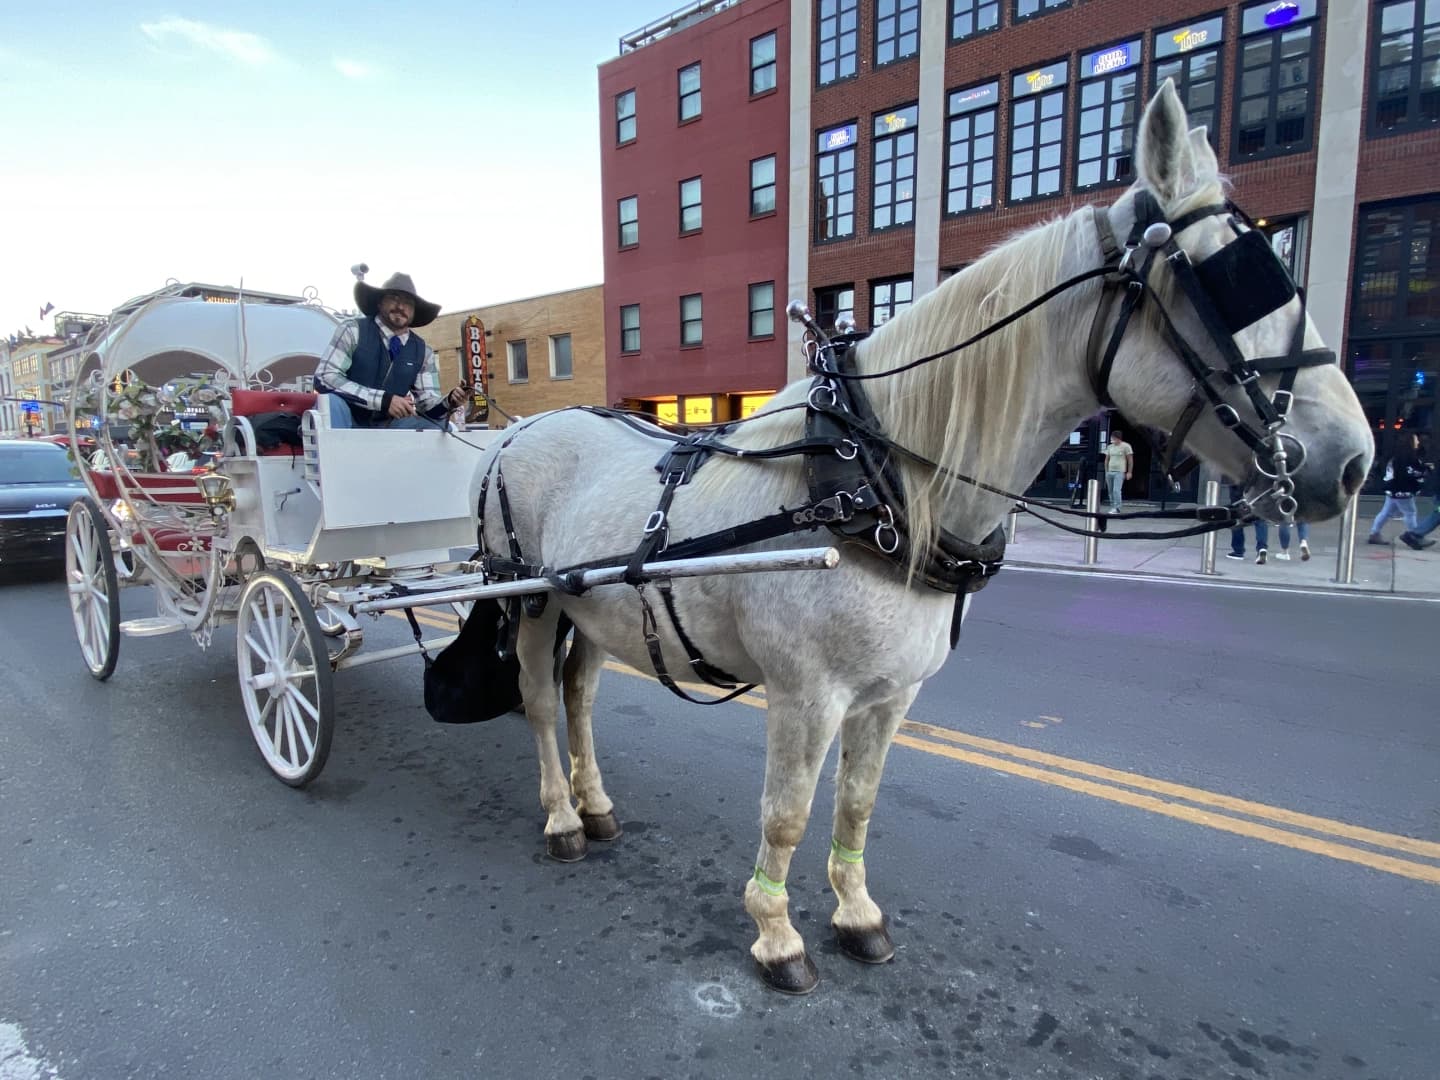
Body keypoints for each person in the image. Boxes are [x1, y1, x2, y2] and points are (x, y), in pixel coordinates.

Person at [315, 272, 467, 430]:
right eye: (394, 297)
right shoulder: (353, 330)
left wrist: (449, 401)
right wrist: (383, 400)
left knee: (442, 428)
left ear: (414, 312)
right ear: (380, 302)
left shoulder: (423, 351)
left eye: (408, 303)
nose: (401, 307)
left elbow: (426, 404)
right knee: (331, 402)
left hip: (388, 426)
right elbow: (325, 377)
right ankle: (337, 453)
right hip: (347, 419)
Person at [1367, 432, 1427, 544]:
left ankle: (1374, 533)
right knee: (1410, 512)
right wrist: (1425, 471)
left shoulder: (1395, 457)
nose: (1418, 442)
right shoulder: (1406, 458)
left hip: (1392, 490)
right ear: (1410, 443)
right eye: (1415, 440)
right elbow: (1411, 473)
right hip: (1402, 491)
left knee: (1386, 512)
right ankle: (1414, 536)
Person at [1101, 428, 1133, 514]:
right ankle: (1113, 507)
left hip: (1119, 471)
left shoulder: (1126, 446)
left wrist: (1129, 472)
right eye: (1112, 438)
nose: (1112, 440)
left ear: (1118, 438)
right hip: (1110, 471)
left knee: (1116, 490)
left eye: (1114, 438)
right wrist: (1106, 471)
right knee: (1110, 491)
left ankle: (1117, 507)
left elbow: (1130, 460)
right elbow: (1107, 459)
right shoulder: (1110, 447)